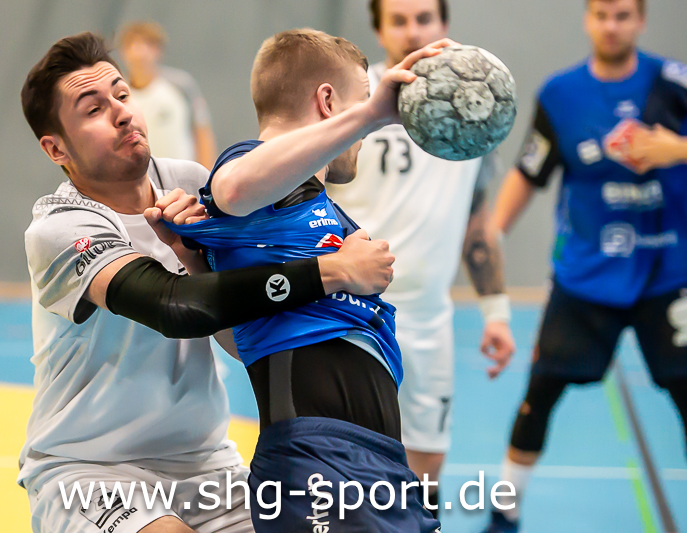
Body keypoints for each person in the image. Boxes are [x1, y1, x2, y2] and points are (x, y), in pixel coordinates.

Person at [18, 32, 397, 533]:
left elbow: (239, 336)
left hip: (206, 465)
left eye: (122, 95)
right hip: (91, 469)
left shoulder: (191, 182)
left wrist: (194, 259)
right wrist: (332, 272)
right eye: (93, 109)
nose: (122, 113)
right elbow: (174, 307)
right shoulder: (61, 228)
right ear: (55, 148)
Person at [171, 29, 452, 533]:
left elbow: (244, 339)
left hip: (376, 462)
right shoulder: (250, 172)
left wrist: (198, 266)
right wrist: (370, 114)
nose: (366, 131)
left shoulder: (319, 213)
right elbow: (233, 187)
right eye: (363, 104)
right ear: (328, 101)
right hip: (317, 460)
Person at [483, 0, 687, 531]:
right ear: (587, 18)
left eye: (623, 15)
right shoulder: (561, 95)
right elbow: (530, 171)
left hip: (669, 276)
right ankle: (505, 511)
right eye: (602, 14)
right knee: (539, 395)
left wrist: (678, 150)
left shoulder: (675, 83)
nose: (611, 25)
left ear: (641, 19)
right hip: (586, 276)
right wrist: (489, 234)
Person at [327, 0, 516, 517]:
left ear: (444, 24)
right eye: (399, 20)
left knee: (425, 470)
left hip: (429, 320)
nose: (413, 31)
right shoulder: (350, 99)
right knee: (347, 473)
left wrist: (496, 312)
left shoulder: (478, 102)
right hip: (350, 313)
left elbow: (477, 223)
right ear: (379, 29)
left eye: (424, 18)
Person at [119, 21, 217, 168]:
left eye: (147, 45)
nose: (140, 53)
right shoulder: (118, 95)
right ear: (123, 52)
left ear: (159, 50)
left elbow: (202, 131)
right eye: (132, 45)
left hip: (183, 176)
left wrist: (207, 175)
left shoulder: (181, 86)